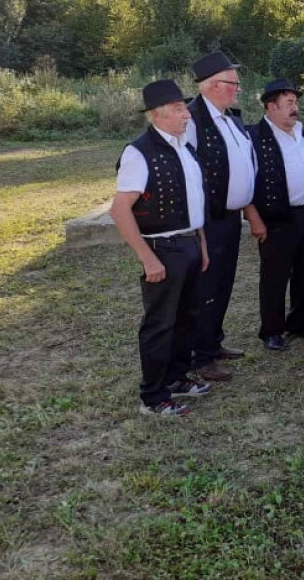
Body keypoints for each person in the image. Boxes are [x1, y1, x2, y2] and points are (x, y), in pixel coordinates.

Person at [110, 79, 210, 417]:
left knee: (187, 318)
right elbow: (120, 210)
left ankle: (177, 378)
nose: (187, 114)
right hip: (163, 249)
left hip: (190, 243)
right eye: (179, 108)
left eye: (185, 108)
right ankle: (153, 396)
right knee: (161, 324)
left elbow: (194, 201)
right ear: (157, 114)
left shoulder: (184, 147)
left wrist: (201, 243)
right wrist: (147, 258)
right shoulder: (139, 153)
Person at [186, 51, 255, 381]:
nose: (237, 89)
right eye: (233, 83)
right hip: (208, 220)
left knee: (223, 282)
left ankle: (213, 342)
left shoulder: (231, 119)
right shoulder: (191, 119)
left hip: (230, 217)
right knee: (206, 286)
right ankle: (200, 356)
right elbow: (186, 170)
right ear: (213, 85)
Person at [244, 79, 304, 352]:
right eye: (289, 102)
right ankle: (272, 330)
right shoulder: (255, 137)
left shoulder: (302, 132)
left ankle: (299, 322)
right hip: (278, 217)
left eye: (295, 102)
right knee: (275, 276)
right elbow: (246, 180)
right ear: (271, 107)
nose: (295, 107)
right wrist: (253, 217)